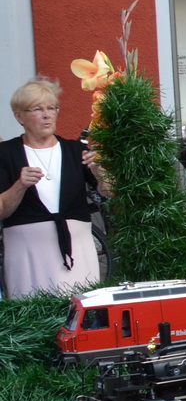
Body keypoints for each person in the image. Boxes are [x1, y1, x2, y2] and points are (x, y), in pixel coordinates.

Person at [0, 78, 109, 296]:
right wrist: (20, 185)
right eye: (37, 109)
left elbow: (108, 190)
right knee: (32, 321)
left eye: (52, 108)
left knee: (80, 316)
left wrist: (99, 170)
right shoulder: (6, 154)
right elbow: (3, 209)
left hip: (78, 251)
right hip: (27, 255)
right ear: (19, 116)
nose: (47, 114)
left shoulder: (75, 150)